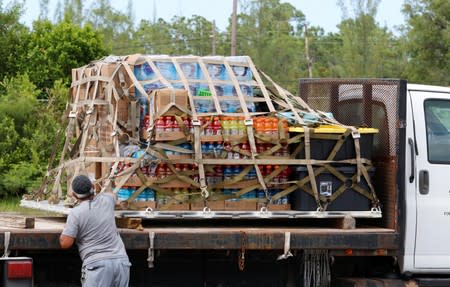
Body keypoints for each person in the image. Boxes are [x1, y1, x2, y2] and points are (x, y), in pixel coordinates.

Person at [60, 174, 131, 287]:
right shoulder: (107, 200)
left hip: (97, 266)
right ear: (93, 187)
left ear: (74, 195)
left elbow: (65, 243)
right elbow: (113, 196)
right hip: (121, 262)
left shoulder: (76, 213)